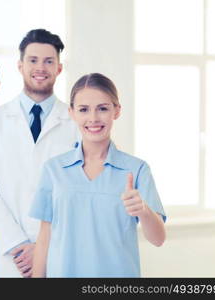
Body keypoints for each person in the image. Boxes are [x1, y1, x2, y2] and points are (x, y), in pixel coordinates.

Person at [30, 73, 167, 278]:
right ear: (72, 113)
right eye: (84, 110)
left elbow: (158, 239)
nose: (93, 118)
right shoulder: (54, 169)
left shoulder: (137, 170)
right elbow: (44, 238)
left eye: (102, 108)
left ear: (116, 111)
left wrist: (144, 210)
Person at [0, 29, 79, 277]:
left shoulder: (75, 123)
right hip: (12, 257)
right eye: (33, 60)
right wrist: (19, 245)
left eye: (48, 61)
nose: (40, 67)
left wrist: (43, 246)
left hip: (58, 250)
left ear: (59, 68)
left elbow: (78, 191)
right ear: (20, 66)